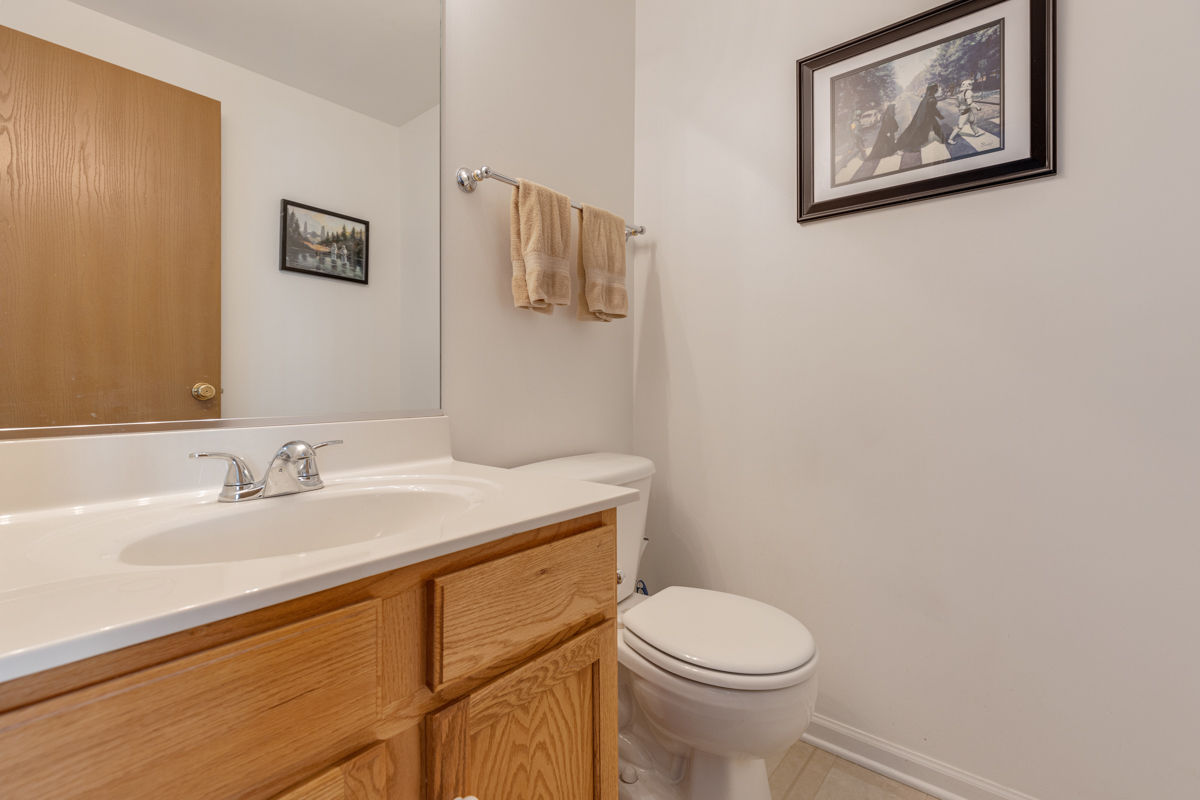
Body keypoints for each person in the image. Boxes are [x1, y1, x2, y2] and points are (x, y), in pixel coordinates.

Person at [895, 83, 946, 152]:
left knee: (934, 129)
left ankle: (942, 140)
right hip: (927, 119)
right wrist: (940, 116)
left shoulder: (926, 98)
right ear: (932, 90)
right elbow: (933, 110)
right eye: (935, 88)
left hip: (926, 118)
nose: (936, 89)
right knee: (928, 130)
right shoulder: (931, 99)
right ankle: (913, 147)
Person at [947, 79, 983, 143]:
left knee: (973, 121)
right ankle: (950, 139)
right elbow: (970, 103)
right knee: (960, 126)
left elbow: (957, 105)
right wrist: (977, 107)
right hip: (966, 111)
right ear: (968, 85)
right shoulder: (969, 92)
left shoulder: (960, 94)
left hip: (966, 110)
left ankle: (976, 133)